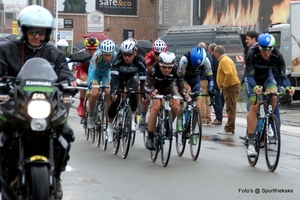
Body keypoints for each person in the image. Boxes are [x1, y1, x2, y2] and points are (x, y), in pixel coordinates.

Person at [0, 5, 76, 199]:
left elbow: (64, 72)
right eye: (33, 31)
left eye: (42, 32)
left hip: (46, 105)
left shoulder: (52, 52)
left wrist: (70, 82)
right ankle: (6, 174)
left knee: (65, 133)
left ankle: (56, 175)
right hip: (14, 103)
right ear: (23, 31)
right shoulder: (7, 50)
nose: (37, 36)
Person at [244, 33, 294, 156]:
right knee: (254, 106)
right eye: (264, 49)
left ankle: (269, 121)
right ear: (259, 47)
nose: (267, 52)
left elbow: (283, 77)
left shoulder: (277, 55)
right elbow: (249, 77)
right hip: (252, 78)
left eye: (270, 49)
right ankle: (251, 143)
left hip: (267, 77)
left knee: (273, 95)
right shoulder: (252, 53)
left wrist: (288, 87)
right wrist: (255, 86)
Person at [144, 51, 189, 150]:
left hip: (169, 87)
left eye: (169, 67)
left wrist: (184, 93)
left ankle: (168, 123)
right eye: (164, 67)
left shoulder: (177, 70)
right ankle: (150, 136)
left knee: (176, 106)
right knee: (156, 107)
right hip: (155, 88)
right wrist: (151, 92)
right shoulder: (153, 69)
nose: (167, 69)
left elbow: (181, 87)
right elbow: (146, 86)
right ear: (159, 64)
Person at [107, 39, 147, 142]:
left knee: (133, 92)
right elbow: (114, 79)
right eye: (125, 55)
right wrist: (113, 92)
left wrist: (143, 93)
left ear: (135, 52)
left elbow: (143, 79)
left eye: (129, 55)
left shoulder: (140, 60)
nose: (127, 57)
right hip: (119, 79)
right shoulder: (118, 60)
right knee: (115, 101)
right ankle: (110, 128)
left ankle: (132, 119)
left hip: (131, 78)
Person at [177, 46, 214, 132]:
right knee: (184, 94)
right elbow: (180, 78)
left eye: (199, 66)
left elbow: (210, 79)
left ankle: (193, 128)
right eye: (194, 65)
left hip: (195, 80)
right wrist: (185, 87)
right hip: (184, 79)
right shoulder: (184, 60)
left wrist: (210, 89)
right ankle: (180, 116)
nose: (196, 68)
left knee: (198, 105)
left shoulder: (206, 61)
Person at [86, 39, 118, 128]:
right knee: (95, 94)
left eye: (109, 55)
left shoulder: (116, 56)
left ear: (113, 53)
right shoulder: (96, 56)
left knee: (109, 92)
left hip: (106, 74)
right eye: (105, 55)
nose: (107, 58)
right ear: (102, 53)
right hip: (95, 73)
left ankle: (109, 115)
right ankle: (90, 117)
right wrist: (91, 84)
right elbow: (91, 70)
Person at [139, 39, 168, 132]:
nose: (158, 56)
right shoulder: (147, 59)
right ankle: (143, 116)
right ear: (152, 52)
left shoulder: (167, 58)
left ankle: (162, 119)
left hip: (161, 80)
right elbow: (144, 76)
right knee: (147, 98)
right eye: (156, 54)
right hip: (150, 79)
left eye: (160, 54)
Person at [214, 45, 240, 135]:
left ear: (217, 53)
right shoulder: (225, 59)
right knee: (230, 107)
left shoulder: (224, 60)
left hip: (230, 87)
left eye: (214, 53)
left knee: (230, 108)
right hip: (230, 86)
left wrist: (225, 85)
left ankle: (229, 128)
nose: (214, 55)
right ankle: (229, 127)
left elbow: (228, 73)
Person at [75, 37, 99, 117]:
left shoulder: (99, 53)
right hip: (84, 70)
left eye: (94, 49)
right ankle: (81, 104)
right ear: (86, 48)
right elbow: (78, 70)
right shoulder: (81, 53)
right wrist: (79, 79)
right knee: (83, 80)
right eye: (90, 49)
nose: (92, 51)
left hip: (95, 71)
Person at [208, 43, 224, 125]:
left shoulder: (213, 57)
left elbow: (213, 68)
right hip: (218, 80)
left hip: (214, 80)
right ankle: (219, 117)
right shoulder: (218, 58)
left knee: (216, 99)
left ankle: (218, 118)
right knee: (218, 99)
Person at [198, 42, 213, 126]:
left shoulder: (201, 56)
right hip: (209, 79)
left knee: (202, 99)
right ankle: (208, 118)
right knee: (207, 99)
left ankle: (203, 118)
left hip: (202, 79)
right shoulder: (209, 55)